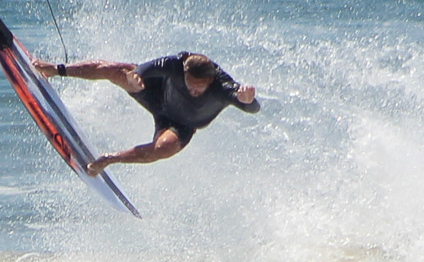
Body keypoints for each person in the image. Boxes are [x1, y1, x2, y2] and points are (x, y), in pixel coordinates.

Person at [32, 52, 259, 176]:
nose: (192, 90)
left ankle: (109, 159)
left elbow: (253, 107)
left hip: (181, 124)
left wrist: (247, 100)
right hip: (158, 96)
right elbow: (147, 67)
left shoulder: (224, 88)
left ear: (209, 82)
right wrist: (137, 76)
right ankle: (56, 69)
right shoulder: (177, 64)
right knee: (117, 71)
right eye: (189, 84)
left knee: (164, 148)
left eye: (198, 88)